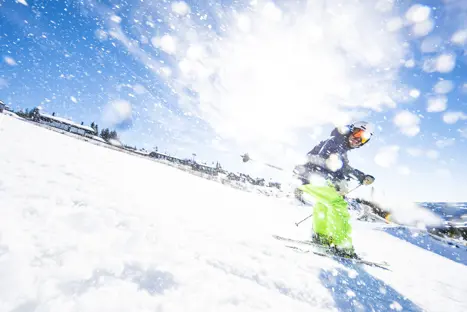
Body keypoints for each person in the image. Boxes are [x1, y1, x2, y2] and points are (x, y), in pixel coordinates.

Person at [293, 121, 376, 258]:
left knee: (324, 203)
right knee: (337, 204)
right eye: (358, 133)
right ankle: (342, 246)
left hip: (308, 178)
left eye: (364, 138)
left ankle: (321, 236)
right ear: (351, 130)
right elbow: (320, 160)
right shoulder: (334, 142)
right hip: (310, 177)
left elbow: (345, 168)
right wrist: (335, 179)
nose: (358, 140)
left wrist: (361, 176)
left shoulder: (341, 148)